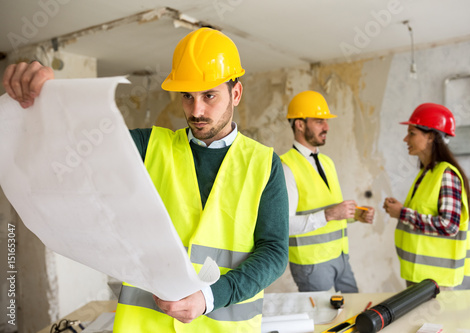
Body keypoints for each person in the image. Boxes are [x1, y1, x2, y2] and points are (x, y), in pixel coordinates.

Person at [2, 27, 289, 332]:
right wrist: (50, 99)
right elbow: (74, 156)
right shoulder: (147, 146)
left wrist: (209, 296)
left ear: (236, 93)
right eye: (187, 97)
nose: (197, 110)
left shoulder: (264, 164)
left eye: (209, 96)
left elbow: (273, 252)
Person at [280, 90, 374, 293]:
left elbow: (330, 210)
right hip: (311, 264)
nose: (326, 127)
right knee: (322, 321)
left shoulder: (327, 162)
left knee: (356, 311)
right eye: (319, 121)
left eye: (325, 121)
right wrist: (329, 214)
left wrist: (356, 214)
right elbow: (284, 224)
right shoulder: (286, 166)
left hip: (340, 257)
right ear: (300, 124)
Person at [383, 103, 470, 290]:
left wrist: (402, 214)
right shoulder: (426, 173)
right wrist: (401, 210)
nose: (406, 139)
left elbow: (449, 225)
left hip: (436, 280)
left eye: (412, 133)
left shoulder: (446, 175)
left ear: (430, 136)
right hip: (421, 276)